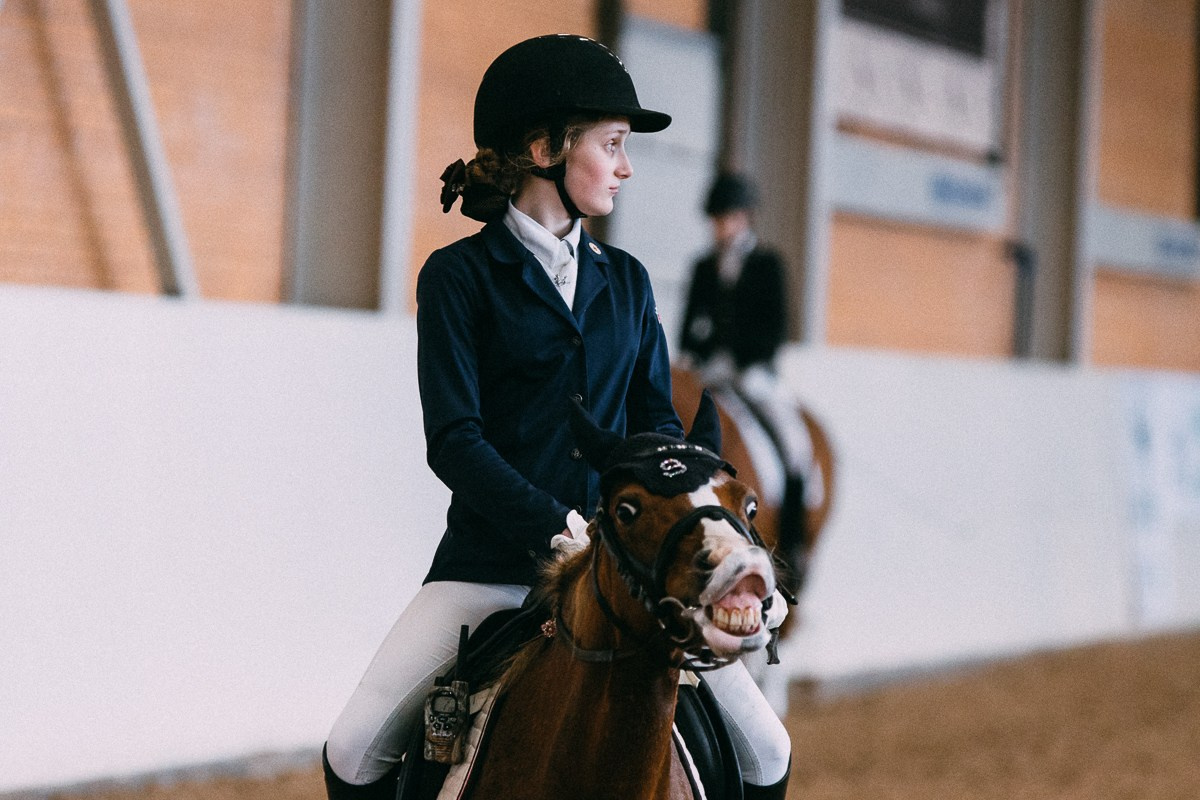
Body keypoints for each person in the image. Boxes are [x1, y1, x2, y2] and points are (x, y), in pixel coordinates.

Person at [321, 35, 791, 800]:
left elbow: (656, 433)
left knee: (767, 749)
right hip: (488, 572)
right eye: (612, 144)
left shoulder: (628, 282)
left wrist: (706, 543)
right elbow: (455, 441)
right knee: (352, 749)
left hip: (623, 575)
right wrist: (555, 528)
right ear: (545, 149)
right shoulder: (458, 278)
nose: (626, 167)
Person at [679, 173, 819, 584]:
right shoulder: (703, 266)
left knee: (794, 447)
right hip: (712, 372)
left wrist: (738, 358)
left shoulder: (767, 264)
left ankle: (793, 543)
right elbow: (689, 328)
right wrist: (702, 356)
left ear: (744, 218)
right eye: (716, 220)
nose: (720, 227)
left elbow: (775, 328)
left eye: (727, 218)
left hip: (755, 372)